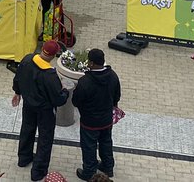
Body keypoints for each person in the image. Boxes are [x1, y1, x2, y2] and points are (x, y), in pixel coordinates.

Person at [12, 39, 68, 181]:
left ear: (42, 49)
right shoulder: (49, 75)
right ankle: (38, 172)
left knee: (27, 129)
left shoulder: (27, 59)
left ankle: (23, 158)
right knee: (45, 138)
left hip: (28, 105)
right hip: (45, 111)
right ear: (54, 56)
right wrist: (65, 91)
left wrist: (17, 92)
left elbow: (17, 78)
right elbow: (58, 99)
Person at [70, 47, 119, 180]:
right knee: (106, 143)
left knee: (89, 147)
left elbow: (76, 101)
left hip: (89, 122)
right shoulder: (113, 76)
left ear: (91, 63)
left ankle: (89, 173)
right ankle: (108, 168)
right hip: (107, 120)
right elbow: (117, 97)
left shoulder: (85, 81)